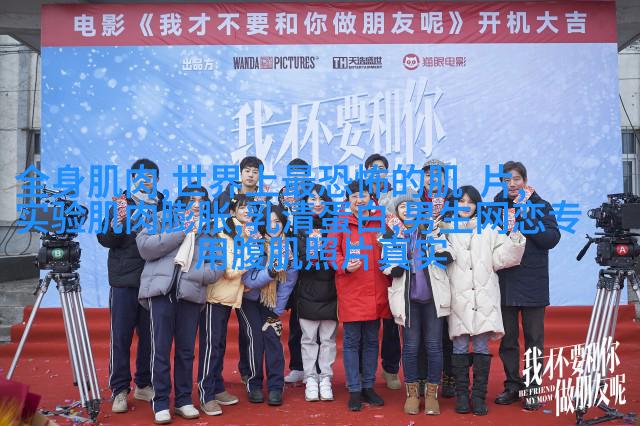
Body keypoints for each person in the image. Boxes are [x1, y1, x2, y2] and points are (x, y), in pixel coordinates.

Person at [137, 185, 223, 424]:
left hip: (190, 296)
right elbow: (144, 246)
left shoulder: (210, 230)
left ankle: (184, 400)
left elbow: (217, 266)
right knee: (160, 349)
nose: (196, 205)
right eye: (191, 199)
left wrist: (193, 275)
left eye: (201, 201)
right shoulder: (163, 218)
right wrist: (181, 232)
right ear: (182, 201)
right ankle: (161, 402)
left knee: (186, 351)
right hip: (161, 293)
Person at [441, 185, 526, 416]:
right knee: (459, 345)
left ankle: (478, 396)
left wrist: (515, 239)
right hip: (458, 296)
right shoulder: (446, 228)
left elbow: (502, 258)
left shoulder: (489, 228)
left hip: (484, 296)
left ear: (477, 205)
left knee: (480, 346)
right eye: (461, 201)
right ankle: (461, 396)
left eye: (470, 202)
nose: (465, 206)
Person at [493, 161, 561, 410]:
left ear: (525, 181)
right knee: (508, 340)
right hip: (505, 282)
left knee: (534, 340)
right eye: (506, 180)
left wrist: (527, 219)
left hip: (533, 282)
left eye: (516, 179)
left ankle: (532, 389)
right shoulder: (495, 208)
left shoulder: (540, 206)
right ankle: (512, 386)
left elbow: (551, 239)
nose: (512, 184)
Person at [97, 158, 163, 413]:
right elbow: (105, 239)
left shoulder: (162, 205)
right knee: (121, 337)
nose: (147, 181)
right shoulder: (121, 204)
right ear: (133, 179)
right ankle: (120, 389)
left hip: (153, 281)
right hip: (124, 282)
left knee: (150, 337)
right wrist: (117, 224)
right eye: (142, 176)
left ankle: (144, 384)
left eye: (151, 176)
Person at [383, 194, 453, 416]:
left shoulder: (431, 229)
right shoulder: (393, 234)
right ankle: (412, 394)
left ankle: (431, 394)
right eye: (402, 207)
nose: (406, 210)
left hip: (433, 298)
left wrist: (441, 252)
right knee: (411, 347)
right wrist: (394, 265)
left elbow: (449, 252)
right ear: (397, 212)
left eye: (410, 206)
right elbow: (386, 263)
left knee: (434, 346)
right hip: (408, 300)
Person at [331, 180, 391, 412]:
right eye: (354, 196)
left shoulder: (381, 221)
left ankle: (368, 386)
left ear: (371, 199)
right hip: (352, 290)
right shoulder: (340, 221)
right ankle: (354, 389)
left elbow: (394, 247)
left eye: (363, 195)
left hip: (376, 290)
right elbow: (331, 251)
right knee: (351, 342)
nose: (359, 200)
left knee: (372, 341)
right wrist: (344, 265)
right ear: (348, 200)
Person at [213, 156, 267, 388]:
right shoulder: (225, 197)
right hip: (227, 275)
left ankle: (247, 371)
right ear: (241, 173)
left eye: (255, 171)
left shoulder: (264, 200)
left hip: (251, 276)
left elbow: (268, 234)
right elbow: (215, 225)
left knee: (250, 330)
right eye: (247, 170)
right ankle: (214, 381)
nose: (251, 175)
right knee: (218, 332)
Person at [197, 194, 253, 416]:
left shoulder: (247, 234)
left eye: (251, 208)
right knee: (211, 346)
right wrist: (249, 264)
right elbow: (227, 270)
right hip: (214, 297)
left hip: (230, 297)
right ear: (232, 211)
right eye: (243, 207)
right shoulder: (220, 233)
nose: (247, 211)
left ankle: (217, 387)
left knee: (219, 345)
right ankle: (206, 394)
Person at [240, 204, 298, 405]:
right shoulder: (254, 243)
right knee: (255, 340)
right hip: (249, 301)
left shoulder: (287, 248)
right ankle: (254, 384)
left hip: (272, 303)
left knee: (273, 339)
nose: (273, 226)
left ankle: (275, 387)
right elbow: (248, 279)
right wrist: (270, 273)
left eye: (277, 221)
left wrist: (277, 309)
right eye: (269, 222)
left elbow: (289, 281)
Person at [295, 184, 338, 402]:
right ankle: (310, 378)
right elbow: (297, 261)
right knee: (309, 338)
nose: (317, 203)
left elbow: (340, 255)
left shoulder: (336, 224)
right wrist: (312, 253)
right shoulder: (299, 227)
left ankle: (326, 378)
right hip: (308, 290)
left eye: (321, 199)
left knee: (328, 339)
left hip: (332, 289)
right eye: (312, 199)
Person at [363, 154, 402, 391]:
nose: (377, 172)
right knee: (365, 323)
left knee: (391, 323)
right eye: (373, 168)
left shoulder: (396, 197)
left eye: (381, 168)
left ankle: (390, 369)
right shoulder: (358, 196)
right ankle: (363, 372)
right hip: (365, 264)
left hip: (390, 265)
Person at [420, 159, 456, 398]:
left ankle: (450, 377)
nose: (432, 180)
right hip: (422, 276)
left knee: (448, 332)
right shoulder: (414, 202)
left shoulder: (456, 201)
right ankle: (423, 378)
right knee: (424, 333)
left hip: (449, 272)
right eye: (427, 175)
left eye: (437, 175)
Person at [277, 158, 311, 385]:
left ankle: (313, 369)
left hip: (310, 267)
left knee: (310, 319)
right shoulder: (281, 200)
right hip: (287, 267)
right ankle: (297, 366)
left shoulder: (316, 198)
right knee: (294, 320)